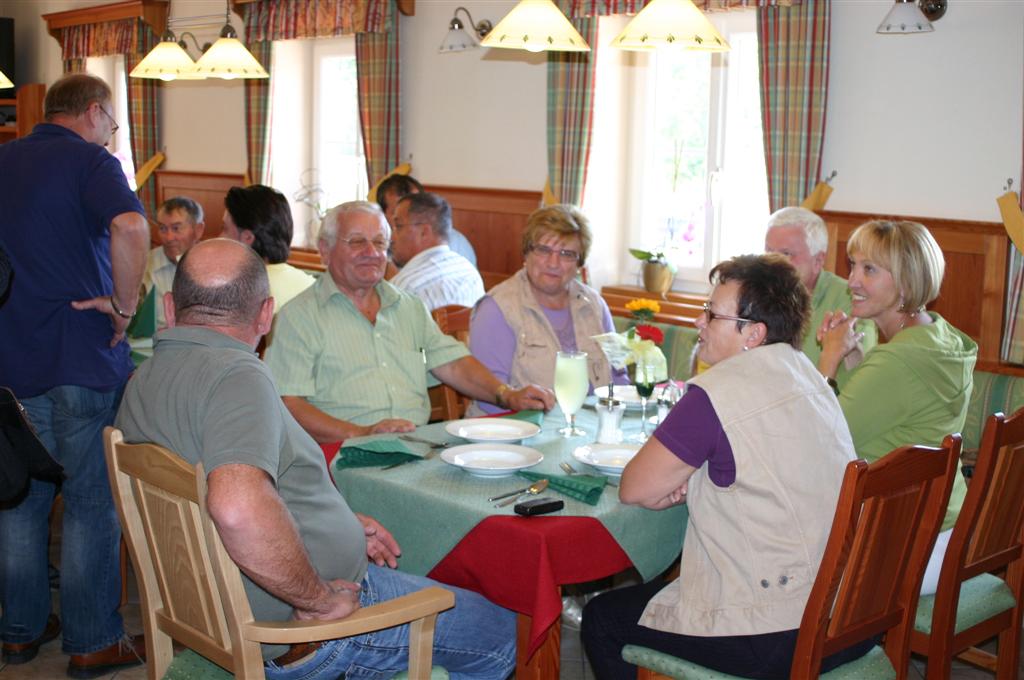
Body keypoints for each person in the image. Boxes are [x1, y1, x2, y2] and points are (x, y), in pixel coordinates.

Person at [116, 238, 517, 679]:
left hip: (208, 610)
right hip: (298, 632)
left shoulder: (143, 379)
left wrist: (337, 525)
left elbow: (221, 489)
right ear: (266, 314)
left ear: (170, 308)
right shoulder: (239, 376)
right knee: (502, 631)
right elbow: (235, 507)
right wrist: (318, 599)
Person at [582, 254, 875, 679]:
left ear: (752, 334)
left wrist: (683, 482)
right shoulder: (809, 375)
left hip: (777, 630)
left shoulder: (713, 394)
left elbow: (634, 488)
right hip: (847, 613)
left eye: (711, 314)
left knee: (603, 618)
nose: (699, 323)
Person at [0, 73, 149, 677]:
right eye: (112, 123)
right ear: (93, 113)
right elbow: (132, 227)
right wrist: (125, 302)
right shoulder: (93, 161)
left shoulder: (4, 158)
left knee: (19, 498)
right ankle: (92, 639)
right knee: (90, 504)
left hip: (11, 358)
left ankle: (19, 631)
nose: (111, 133)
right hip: (82, 358)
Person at [264, 201, 553, 442]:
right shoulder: (298, 317)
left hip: (418, 447)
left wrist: (507, 395)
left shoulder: (408, 307)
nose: (372, 252)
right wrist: (361, 433)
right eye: (356, 242)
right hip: (341, 455)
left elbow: (452, 363)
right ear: (325, 250)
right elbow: (289, 405)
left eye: (379, 242)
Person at [817, 219, 976, 595]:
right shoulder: (941, 337)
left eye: (869, 269)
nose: (852, 280)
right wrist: (858, 358)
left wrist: (830, 358)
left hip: (907, 543)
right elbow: (898, 414)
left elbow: (819, 436)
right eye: (852, 264)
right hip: (946, 525)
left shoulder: (899, 362)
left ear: (905, 282)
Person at [468, 204, 625, 415]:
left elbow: (618, 377)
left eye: (566, 254)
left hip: (588, 429)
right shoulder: (497, 308)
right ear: (526, 253)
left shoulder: (594, 305)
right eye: (543, 250)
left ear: (579, 264)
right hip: (517, 431)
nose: (553, 263)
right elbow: (490, 399)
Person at [764, 206, 875, 387]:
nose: (773, 263)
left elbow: (861, 377)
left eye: (786, 254)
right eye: (769, 252)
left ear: (818, 261)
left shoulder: (853, 302)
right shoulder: (757, 293)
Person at [221, 184, 315, 314]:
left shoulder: (241, 293)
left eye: (225, 229)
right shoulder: (310, 284)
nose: (219, 237)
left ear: (247, 238)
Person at [390, 191, 484, 309]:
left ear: (424, 232)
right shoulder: (470, 272)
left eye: (398, 226)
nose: (391, 237)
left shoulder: (404, 287)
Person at [376, 173, 478, 266]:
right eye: (397, 212)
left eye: (416, 209)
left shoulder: (456, 243)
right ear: (382, 215)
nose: (411, 217)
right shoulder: (376, 246)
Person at [145, 196, 205, 329]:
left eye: (176, 228)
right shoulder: (145, 264)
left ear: (198, 230)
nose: (169, 238)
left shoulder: (214, 265)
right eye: (163, 228)